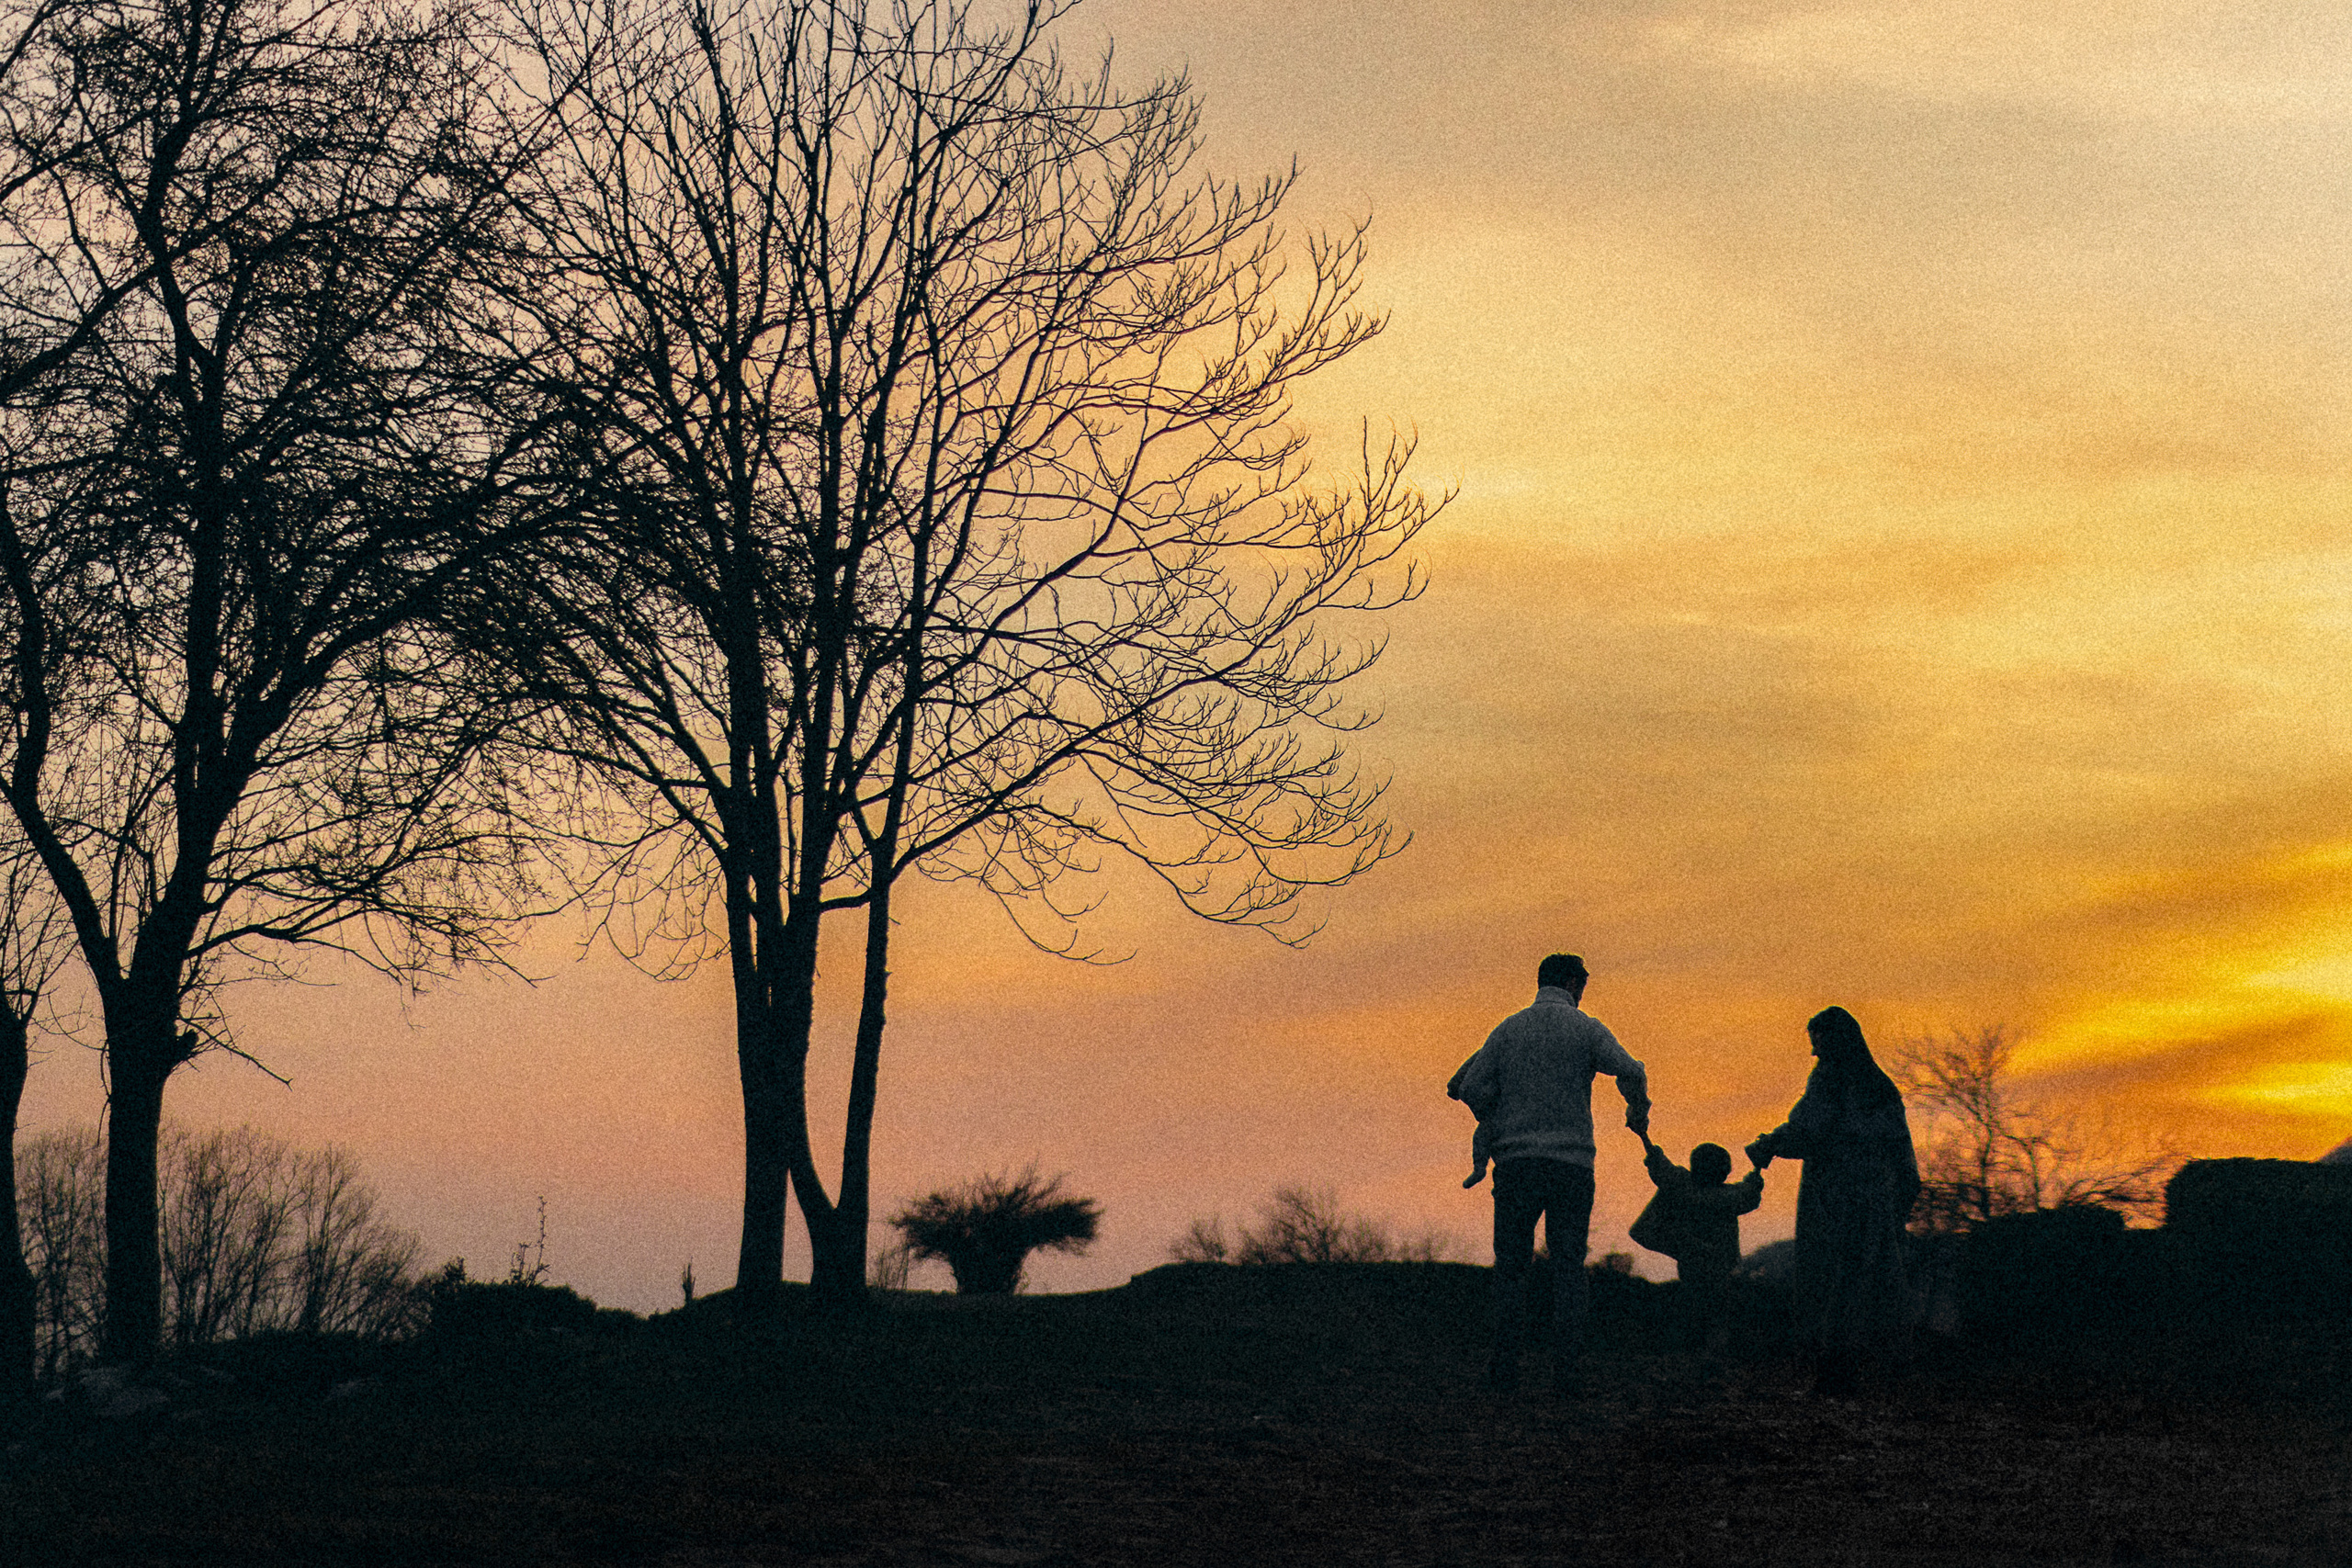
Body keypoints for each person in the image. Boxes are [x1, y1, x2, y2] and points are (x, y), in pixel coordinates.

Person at [1448, 953, 1649, 1393]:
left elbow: (1468, 1087)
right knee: (1568, 1268)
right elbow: (1631, 1070)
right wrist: (1639, 1108)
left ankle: (1504, 1371)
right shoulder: (1586, 1028)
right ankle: (1567, 1374)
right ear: (1574, 983)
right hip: (1572, 1165)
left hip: (1516, 1164)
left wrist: (1496, 1120)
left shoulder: (1509, 1029)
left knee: (1511, 1268)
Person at [1746, 1005, 1921, 1397]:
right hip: (1878, 1196)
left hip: (1838, 1196)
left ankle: (1837, 1377)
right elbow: (1901, 1151)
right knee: (1876, 1282)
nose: (1815, 1053)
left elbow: (1811, 1127)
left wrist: (1769, 1145)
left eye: (1818, 1043)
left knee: (1833, 1282)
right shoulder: (1880, 1084)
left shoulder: (1831, 1078)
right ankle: (1888, 1374)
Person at [1630, 1136, 1765, 1359]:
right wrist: (1756, 1172)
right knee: (1718, 1313)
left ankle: (1692, 1354)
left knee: (1692, 1305)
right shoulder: (1729, 1197)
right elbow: (1750, 1194)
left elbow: (1661, 1169)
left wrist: (1645, 1138)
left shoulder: (1681, 1186)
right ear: (1725, 1172)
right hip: (1720, 1264)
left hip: (1691, 1259)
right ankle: (1711, 1357)